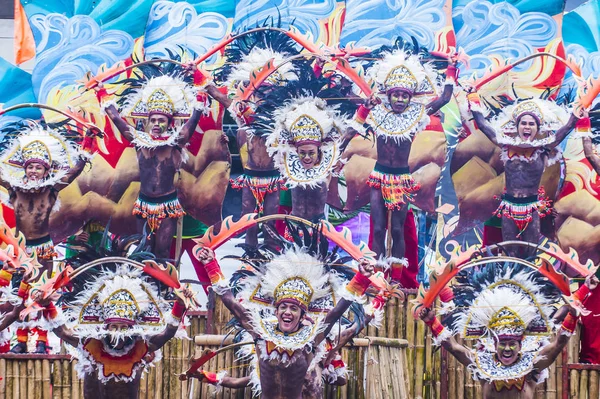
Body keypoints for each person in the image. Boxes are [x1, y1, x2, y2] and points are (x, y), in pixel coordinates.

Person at [195, 244, 375, 399]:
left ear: (302, 315)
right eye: (283, 307)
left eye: (294, 308)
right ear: (276, 310)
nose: (287, 312)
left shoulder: (310, 340)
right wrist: (211, 264)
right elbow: (231, 303)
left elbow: (335, 313)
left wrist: (361, 277)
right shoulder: (261, 334)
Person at [419, 263, 597, 398]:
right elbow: (453, 347)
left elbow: (560, 342)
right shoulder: (483, 366)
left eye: (512, 344)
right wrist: (431, 321)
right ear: (494, 345)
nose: (507, 349)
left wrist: (578, 302)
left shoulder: (532, 366)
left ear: (520, 345)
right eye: (503, 344)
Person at [354, 48, 455, 273]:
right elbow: (355, 123)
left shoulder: (417, 115)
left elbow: (445, 98)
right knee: (379, 228)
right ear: (388, 95)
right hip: (379, 177)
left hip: (401, 179)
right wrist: (363, 108)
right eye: (396, 94)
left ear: (411, 97)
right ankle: (375, 276)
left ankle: (398, 280)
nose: (400, 99)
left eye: (404, 95)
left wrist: (452, 67)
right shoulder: (377, 112)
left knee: (398, 230)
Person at [0, 121, 94, 353]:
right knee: (17, 295)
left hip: (43, 249)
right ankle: (20, 341)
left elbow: (76, 169)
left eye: (38, 167)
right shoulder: (14, 189)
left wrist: (88, 142)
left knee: (41, 293)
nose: (33, 171)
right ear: (24, 168)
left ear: (47, 170)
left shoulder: (52, 190)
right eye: (29, 166)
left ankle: (42, 340)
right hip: (19, 253)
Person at [96, 65, 208, 258]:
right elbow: (116, 118)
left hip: (167, 205)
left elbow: (195, 116)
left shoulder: (176, 143)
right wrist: (101, 92)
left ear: (169, 123)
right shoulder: (139, 142)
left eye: (161, 120)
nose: (157, 124)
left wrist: (199, 80)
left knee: (163, 251)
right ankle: (147, 286)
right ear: (148, 121)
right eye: (153, 120)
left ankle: (165, 288)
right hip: (144, 204)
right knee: (143, 250)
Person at [205, 30, 301, 247]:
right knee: (248, 220)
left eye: (269, 93)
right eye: (261, 92)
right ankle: (249, 256)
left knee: (269, 220)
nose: (264, 97)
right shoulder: (243, 116)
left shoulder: (283, 118)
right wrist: (199, 77)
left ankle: (266, 256)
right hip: (250, 178)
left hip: (273, 178)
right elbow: (219, 96)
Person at [37, 266, 194, 399]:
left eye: (123, 327)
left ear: (132, 327)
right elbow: (63, 332)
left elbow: (167, 332)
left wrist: (179, 305)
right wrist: (48, 305)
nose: (118, 332)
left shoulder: (141, 347)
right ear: (106, 326)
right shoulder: (89, 345)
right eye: (114, 327)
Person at [468, 93, 580, 249]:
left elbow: (566, 128)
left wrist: (578, 112)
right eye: (524, 123)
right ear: (517, 126)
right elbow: (483, 125)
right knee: (509, 252)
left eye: (531, 124)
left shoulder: (543, 149)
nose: (527, 127)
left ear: (537, 128)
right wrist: (473, 97)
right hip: (509, 208)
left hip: (531, 209)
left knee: (530, 252)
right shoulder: (505, 145)